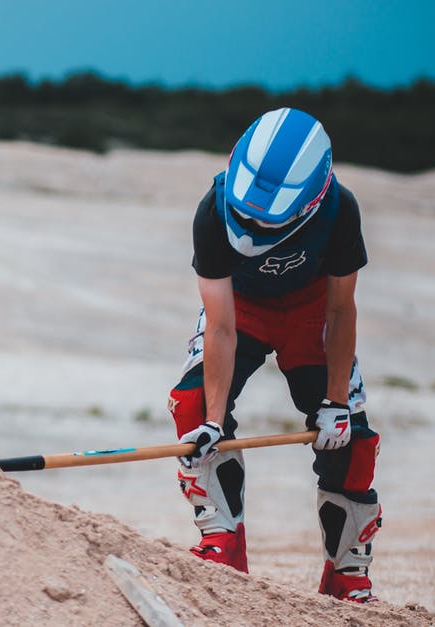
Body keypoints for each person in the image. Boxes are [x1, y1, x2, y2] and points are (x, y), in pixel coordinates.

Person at [167, 107, 382, 603]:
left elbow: (341, 309)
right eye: (244, 215)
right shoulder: (211, 211)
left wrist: (334, 403)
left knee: (351, 437)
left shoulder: (340, 211)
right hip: (242, 310)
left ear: (308, 204)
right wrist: (214, 423)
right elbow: (221, 326)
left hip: (313, 314)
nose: (249, 228)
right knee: (194, 406)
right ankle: (223, 547)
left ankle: (347, 576)